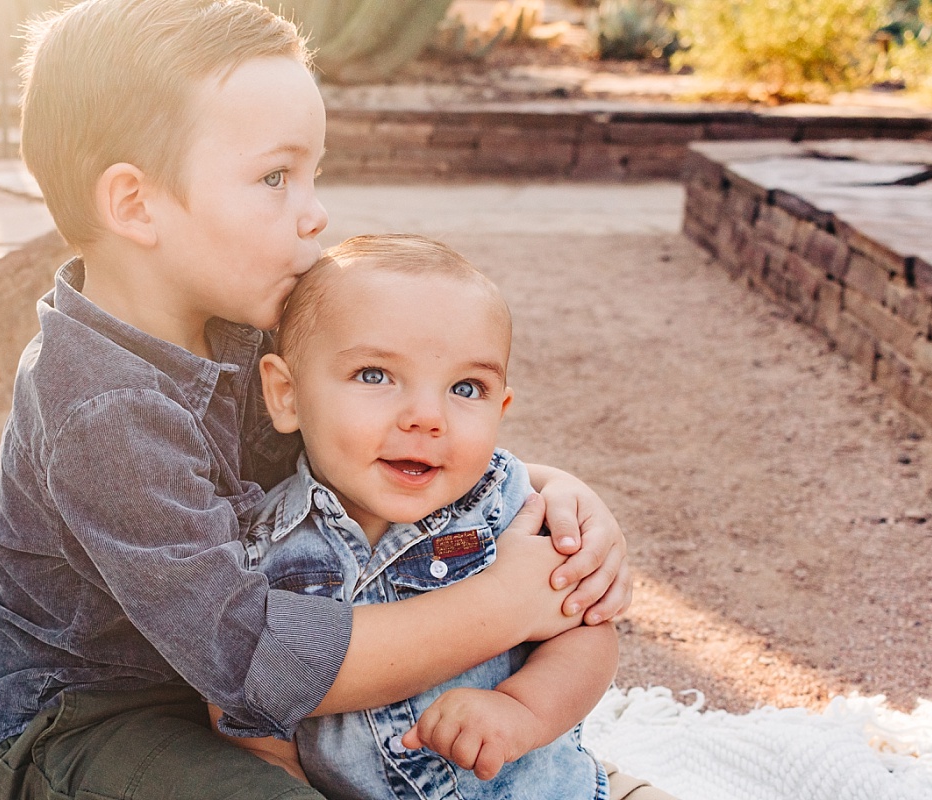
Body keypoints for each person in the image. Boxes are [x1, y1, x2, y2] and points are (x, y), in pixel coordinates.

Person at [0, 2, 633, 798]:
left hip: (250, 713)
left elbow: (364, 439)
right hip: (91, 722)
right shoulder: (100, 408)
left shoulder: (245, 327)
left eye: (312, 174)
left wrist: (551, 493)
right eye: (276, 178)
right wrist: (510, 601)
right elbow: (251, 658)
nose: (314, 212)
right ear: (135, 205)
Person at [219, 234, 671, 800]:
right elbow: (252, 732)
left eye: (466, 388)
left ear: (501, 408)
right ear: (286, 394)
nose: (427, 417)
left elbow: (588, 635)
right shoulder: (256, 553)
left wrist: (520, 709)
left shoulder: (509, 509)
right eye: (375, 375)